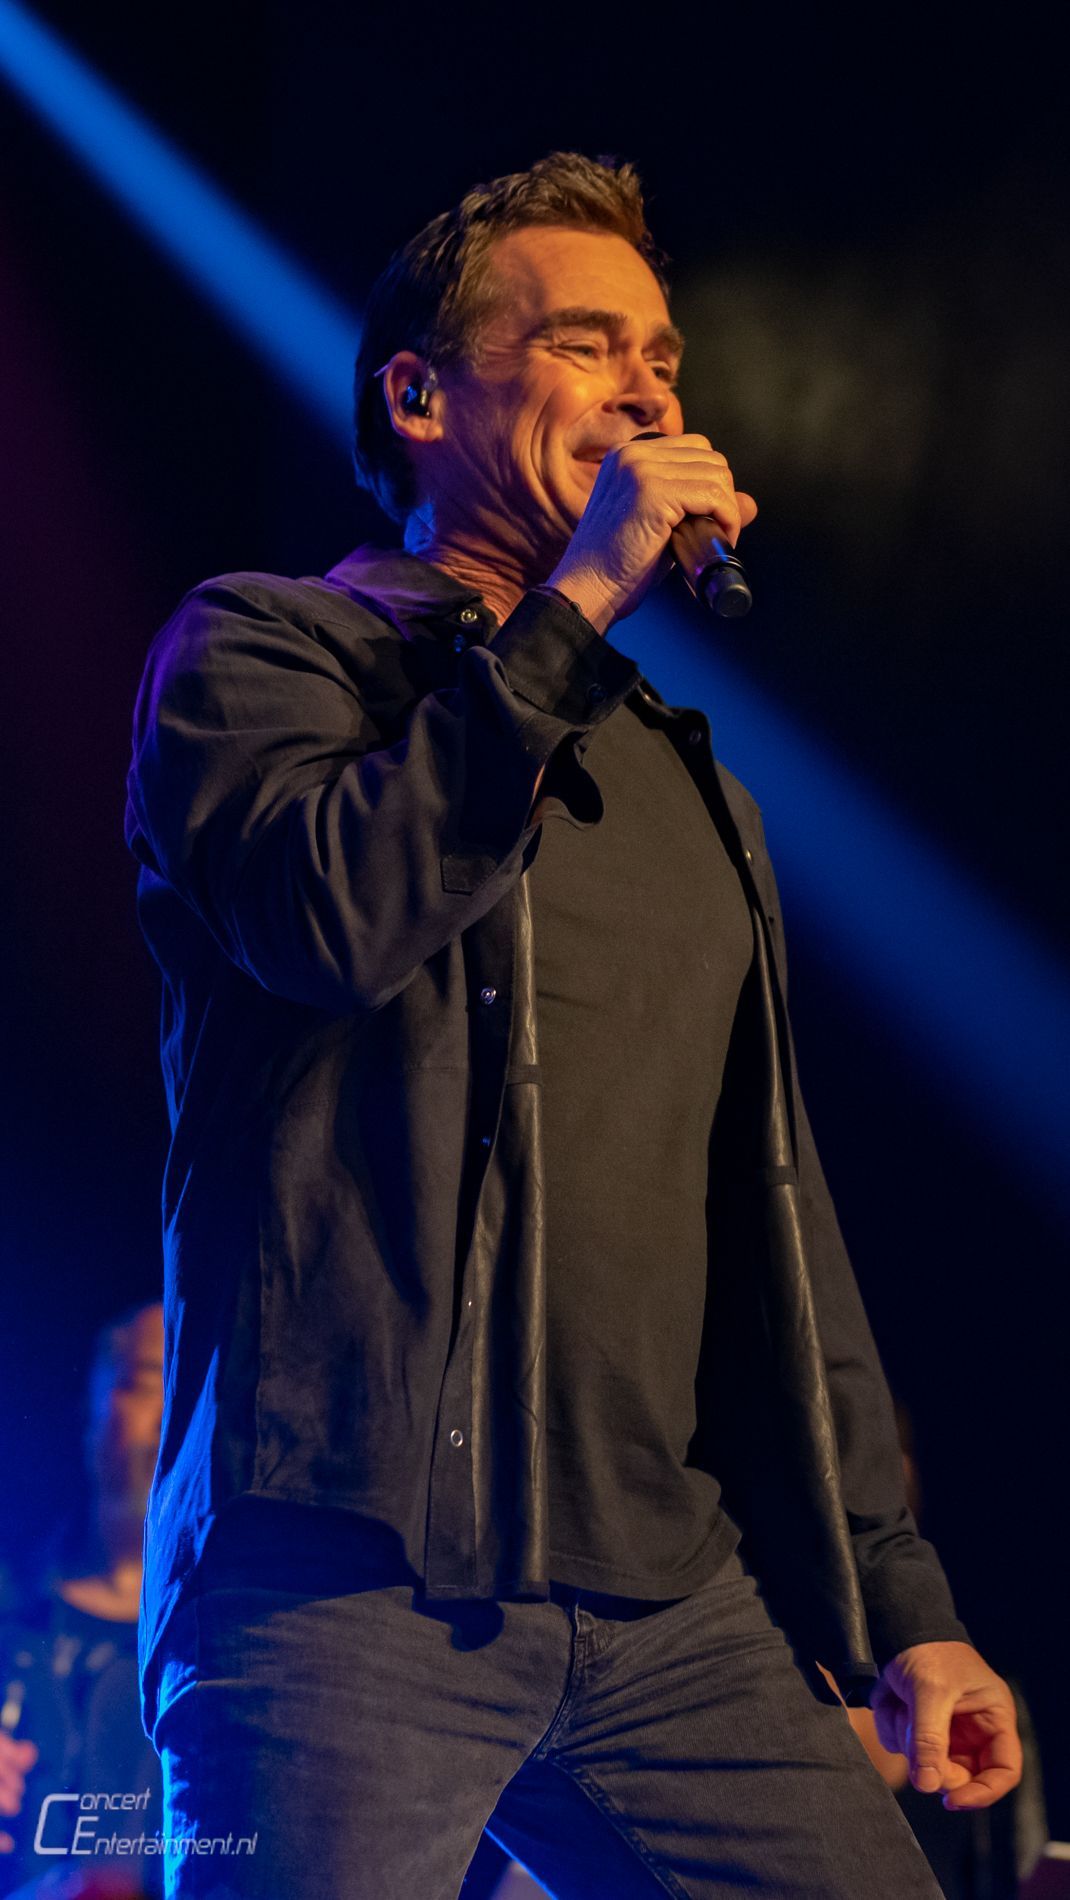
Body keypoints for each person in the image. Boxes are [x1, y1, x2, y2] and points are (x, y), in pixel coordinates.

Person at [124, 152, 1022, 1898]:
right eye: (586, 343)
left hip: (668, 1601)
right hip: (341, 1580)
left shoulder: (694, 797)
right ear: (419, 396)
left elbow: (774, 1220)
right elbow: (332, 919)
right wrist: (577, 610)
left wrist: (898, 1602)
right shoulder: (263, 657)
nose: (646, 391)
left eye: (663, 359)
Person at [0, 1302, 166, 1897]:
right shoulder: (9, 1602)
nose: (169, 1416)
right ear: (91, 1409)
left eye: (193, 1394)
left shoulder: (236, 1646)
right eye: (148, 1382)